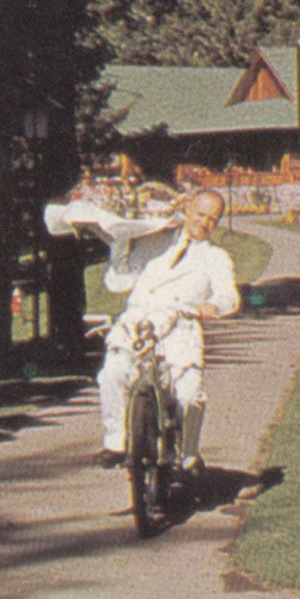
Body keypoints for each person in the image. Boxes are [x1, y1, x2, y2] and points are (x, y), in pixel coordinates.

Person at [93, 189, 239, 471]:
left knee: (189, 393)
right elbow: (118, 282)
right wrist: (120, 240)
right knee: (112, 374)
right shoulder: (155, 242)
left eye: (212, 219)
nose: (204, 223)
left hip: (180, 327)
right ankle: (116, 443)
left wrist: (214, 306)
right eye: (200, 214)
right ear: (187, 210)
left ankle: (189, 453)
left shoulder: (216, 257)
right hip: (139, 323)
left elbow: (228, 294)